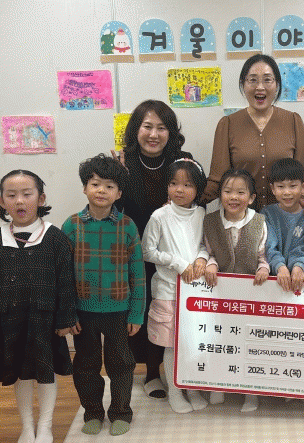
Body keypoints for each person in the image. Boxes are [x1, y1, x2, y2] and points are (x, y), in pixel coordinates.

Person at [0, 170, 77, 443]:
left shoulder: (55, 238)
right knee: (20, 374)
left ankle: (45, 426)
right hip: (11, 321)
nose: (19, 201)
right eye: (11, 195)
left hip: (46, 322)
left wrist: (66, 319)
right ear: (2, 201)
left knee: (45, 372)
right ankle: (27, 426)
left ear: (40, 199)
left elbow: (66, 282)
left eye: (26, 194)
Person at [61, 154, 145, 436]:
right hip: (82, 312)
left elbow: (137, 274)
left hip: (119, 311)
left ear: (119, 193)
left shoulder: (127, 226)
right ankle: (93, 412)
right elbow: (63, 276)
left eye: (109, 186)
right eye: (95, 184)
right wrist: (68, 313)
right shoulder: (71, 226)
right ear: (85, 188)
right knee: (86, 364)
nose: (101, 191)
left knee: (121, 364)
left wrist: (136, 313)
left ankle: (121, 412)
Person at [115, 99, 193, 400]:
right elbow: (114, 206)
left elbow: (195, 196)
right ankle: (150, 373)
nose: (154, 134)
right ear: (136, 129)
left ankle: (182, 371)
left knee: (172, 311)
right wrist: (116, 174)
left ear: (170, 132)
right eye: (147, 126)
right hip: (136, 251)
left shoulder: (183, 161)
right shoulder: (123, 163)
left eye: (162, 128)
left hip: (175, 251)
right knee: (145, 309)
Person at [141, 158, 209, 414]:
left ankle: (191, 387)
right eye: (173, 183)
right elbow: (147, 251)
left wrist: (201, 259)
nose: (179, 190)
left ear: (198, 189)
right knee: (171, 344)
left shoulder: (201, 214)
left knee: (192, 342)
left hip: (196, 292)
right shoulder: (160, 216)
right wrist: (178, 263)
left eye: (187, 185)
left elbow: (205, 245)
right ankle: (175, 392)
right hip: (168, 291)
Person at [202, 54, 304, 210]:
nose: (260, 87)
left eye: (267, 80)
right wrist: (186, 200)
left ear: (277, 84)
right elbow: (218, 179)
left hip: (284, 216)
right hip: (241, 217)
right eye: (253, 80)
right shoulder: (228, 124)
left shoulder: (293, 121)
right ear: (243, 84)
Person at [203, 169, 269, 412]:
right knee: (219, 340)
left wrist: (264, 268)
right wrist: (210, 263)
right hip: (219, 295)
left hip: (250, 294)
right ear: (220, 195)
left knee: (248, 342)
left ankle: (250, 392)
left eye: (240, 192)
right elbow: (208, 251)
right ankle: (218, 384)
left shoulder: (259, 221)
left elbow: (263, 255)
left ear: (251, 198)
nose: (233, 197)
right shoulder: (210, 221)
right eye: (227, 191)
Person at [260, 158, 304, 293]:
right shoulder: (267, 214)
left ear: (303, 188)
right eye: (281, 187)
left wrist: (298, 267)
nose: (287, 192)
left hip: (300, 277)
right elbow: (269, 246)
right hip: (271, 279)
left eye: (292, 186)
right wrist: (280, 267)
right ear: (273, 189)